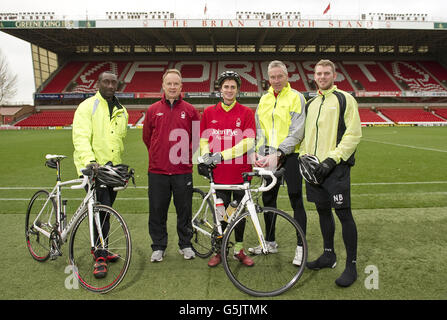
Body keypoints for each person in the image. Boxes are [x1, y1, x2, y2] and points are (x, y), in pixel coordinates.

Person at [300, 59, 362, 287]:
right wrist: (304, 158)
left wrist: (331, 159)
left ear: (334, 75)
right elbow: (307, 136)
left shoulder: (345, 99)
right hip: (315, 170)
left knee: (344, 214)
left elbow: (353, 135)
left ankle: (351, 266)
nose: (323, 76)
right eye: (319, 73)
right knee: (323, 212)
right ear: (314, 76)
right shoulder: (311, 103)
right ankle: (328, 255)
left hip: (336, 169)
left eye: (327, 73)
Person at [249, 60, 307, 266]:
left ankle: (301, 247)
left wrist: (280, 152)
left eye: (279, 76)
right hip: (268, 156)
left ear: (287, 76)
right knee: (268, 200)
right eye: (272, 77)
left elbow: (298, 132)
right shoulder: (264, 99)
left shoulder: (296, 97)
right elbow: (259, 131)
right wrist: (257, 152)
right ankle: (270, 242)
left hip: (290, 157)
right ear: (268, 79)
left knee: (295, 199)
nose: (276, 80)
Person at [72, 71, 129, 278]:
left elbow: (117, 142)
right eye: (106, 81)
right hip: (93, 170)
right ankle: (99, 255)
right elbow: (80, 137)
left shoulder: (122, 110)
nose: (110, 85)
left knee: (106, 211)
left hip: (112, 171)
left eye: (114, 82)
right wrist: (90, 162)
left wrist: (118, 167)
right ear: (98, 83)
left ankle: (103, 246)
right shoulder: (87, 106)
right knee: (99, 212)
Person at [142, 68, 201, 262]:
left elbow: (197, 137)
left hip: (182, 171)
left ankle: (185, 244)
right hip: (157, 171)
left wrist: (184, 155)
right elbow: (147, 138)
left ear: (181, 86)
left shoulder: (190, 110)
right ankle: (158, 246)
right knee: (157, 210)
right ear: (163, 86)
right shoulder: (152, 110)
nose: (173, 87)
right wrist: (158, 154)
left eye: (176, 84)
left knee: (184, 210)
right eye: (169, 83)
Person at [200, 71, 256, 267]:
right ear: (220, 89)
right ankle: (220, 249)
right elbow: (204, 139)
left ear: (238, 90)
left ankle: (239, 249)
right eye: (226, 87)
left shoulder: (246, 113)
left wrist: (221, 155)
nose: (229, 90)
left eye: (233, 87)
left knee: (239, 213)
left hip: (240, 172)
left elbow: (249, 142)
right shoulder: (208, 112)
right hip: (219, 174)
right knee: (221, 214)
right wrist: (207, 155)